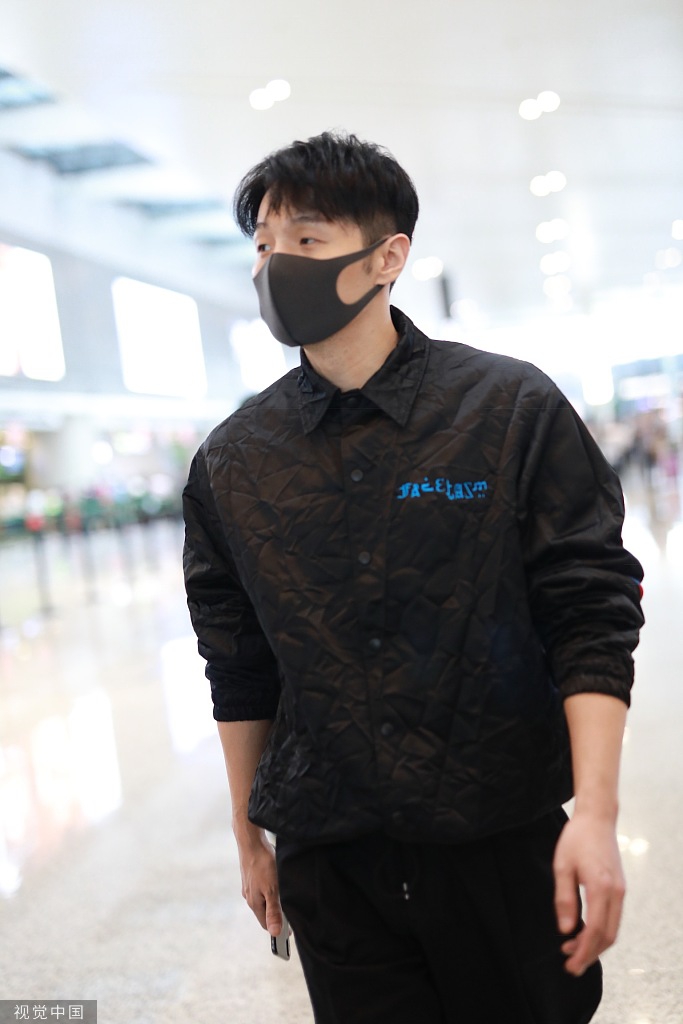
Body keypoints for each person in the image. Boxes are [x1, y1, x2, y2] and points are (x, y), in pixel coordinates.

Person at [182, 131, 644, 1024]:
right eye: (263, 245)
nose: (276, 265)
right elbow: (236, 661)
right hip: (330, 856)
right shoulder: (233, 461)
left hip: (497, 836)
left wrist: (594, 812)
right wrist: (249, 835)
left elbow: (588, 613)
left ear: (387, 257)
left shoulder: (507, 410)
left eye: (306, 239)